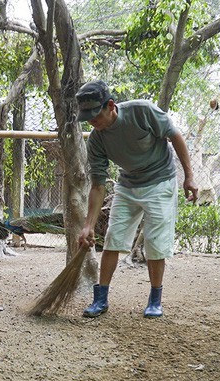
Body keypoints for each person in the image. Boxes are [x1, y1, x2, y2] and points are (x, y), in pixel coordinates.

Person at [75, 80, 198, 318]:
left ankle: (155, 300)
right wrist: (88, 224)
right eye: (87, 117)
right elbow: (98, 184)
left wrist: (189, 177)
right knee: (113, 238)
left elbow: (175, 136)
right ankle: (101, 299)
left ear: (110, 105)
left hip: (160, 181)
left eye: (95, 115)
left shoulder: (142, 111)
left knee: (155, 242)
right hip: (128, 185)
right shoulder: (97, 140)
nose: (92, 122)